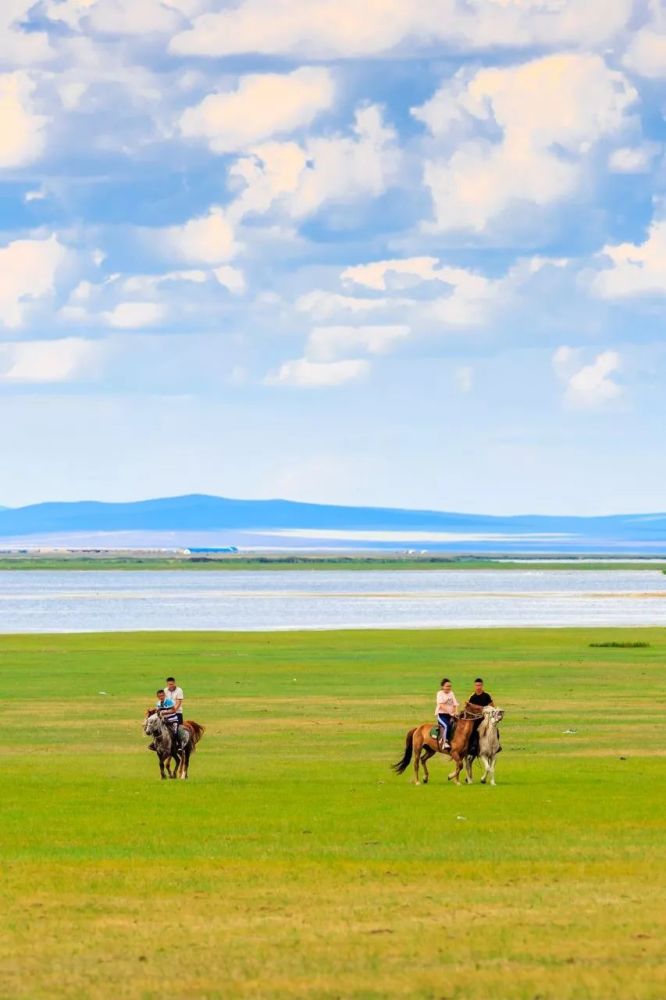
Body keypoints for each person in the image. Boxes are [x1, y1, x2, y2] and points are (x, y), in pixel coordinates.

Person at [467, 677, 498, 758]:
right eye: (476, 685)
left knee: (495, 729)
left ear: (482, 686)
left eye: (480, 685)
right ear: (474, 686)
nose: (478, 687)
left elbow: (492, 707)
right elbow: (469, 709)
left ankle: (496, 746)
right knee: (473, 731)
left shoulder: (487, 695)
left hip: (486, 718)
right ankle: (473, 747)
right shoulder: (472, 697)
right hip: (476, 719)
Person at [435, 678, 458, 751]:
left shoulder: (451, 693)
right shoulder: (439, 693)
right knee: (447, 725)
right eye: (447, 686)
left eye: (450, 686)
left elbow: (455, 704)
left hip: (451, 715)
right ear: (442, 687)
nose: (449, 688)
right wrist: (450, 712)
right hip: (442, 715)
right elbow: (441, 705)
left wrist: (455, 712)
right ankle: (445, 742)